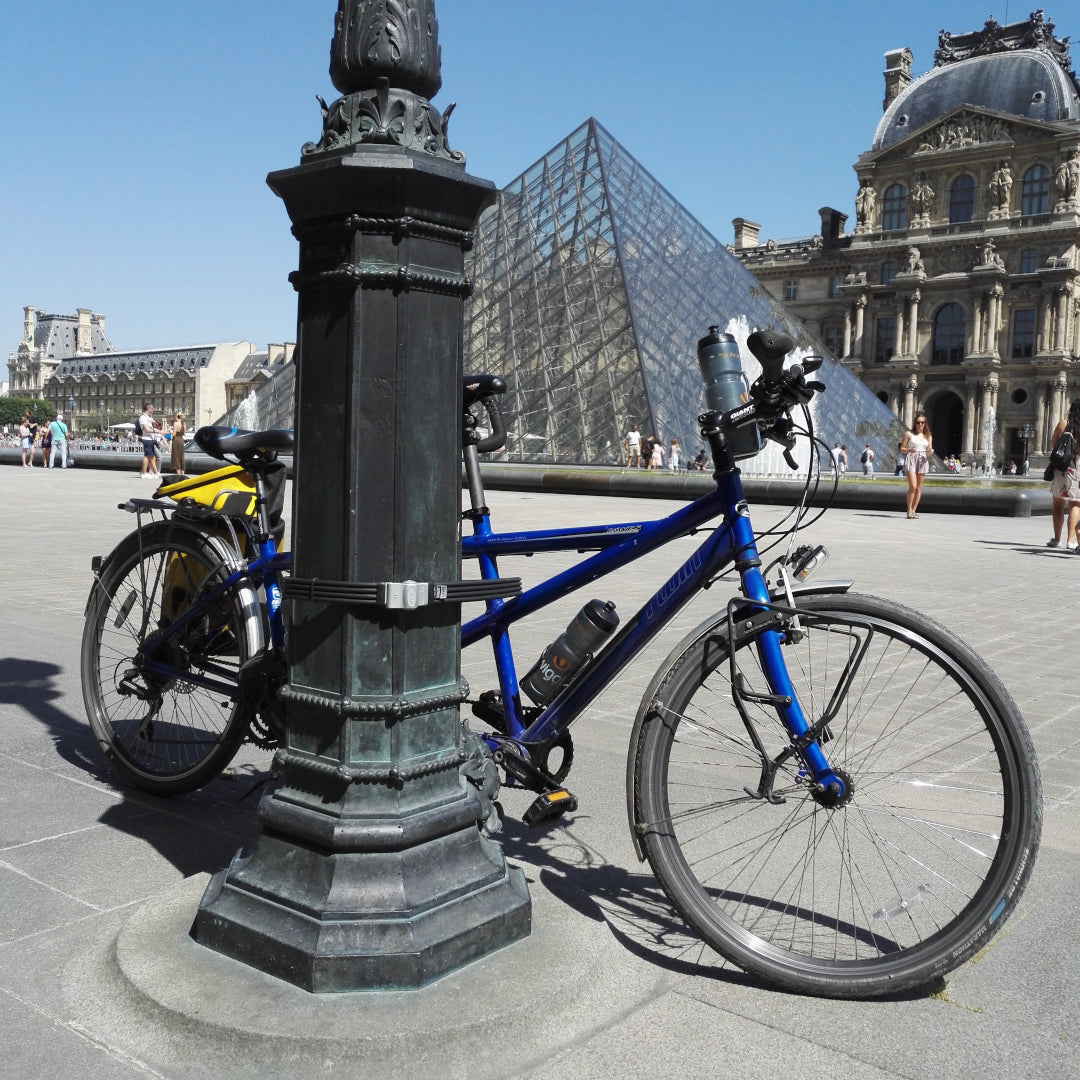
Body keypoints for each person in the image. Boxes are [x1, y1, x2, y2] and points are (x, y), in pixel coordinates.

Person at [1046, 399, 1080, 549]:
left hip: (1061, 466)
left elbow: (1053, 444)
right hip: (1078, 467)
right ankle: (1071, 540)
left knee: (1058, 505)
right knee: (1075, 504)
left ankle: (1057, 539)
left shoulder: (1063, 424)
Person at [899, 412, 932, 518]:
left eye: (922, 422)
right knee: (913, 486)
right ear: (915, 423)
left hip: (923, 460)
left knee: (918, 487)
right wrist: (909, 449)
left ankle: (914, 510)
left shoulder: (928, 436)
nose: (920, 425)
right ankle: (909, 510)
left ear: (925, 423)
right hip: (911, 459)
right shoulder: (908, 434)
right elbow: (901, 449)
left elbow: (929, 451)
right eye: (918, 422)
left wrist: (930, 451)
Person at [137, 402, 159, 478]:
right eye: (152, 408)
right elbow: (146, 429)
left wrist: (157, 423)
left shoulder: (149, 417)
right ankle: (143, 473)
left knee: (151, 456)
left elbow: (154, 423)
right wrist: (155, 431)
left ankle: (148, 472)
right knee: (147, 456)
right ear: (148, 408)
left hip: (150, 439)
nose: (152, 409)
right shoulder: (143, 417)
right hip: (146, 439)